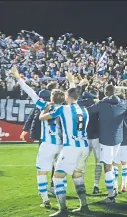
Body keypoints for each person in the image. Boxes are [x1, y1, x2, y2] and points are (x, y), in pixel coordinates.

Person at [10, 68, 66, 209]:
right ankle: (61, 201)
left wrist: (18, 77)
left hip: (47, 144)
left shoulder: (44, 105)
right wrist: (72, 83)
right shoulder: (66, 109)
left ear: (52, 98)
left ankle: (46, 200)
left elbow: (30, 92)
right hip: (62, 146)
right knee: (60, 174)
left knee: (42, 172)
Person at [37, 85, 90, 216]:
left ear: (67, 97)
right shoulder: (84, 110)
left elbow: (42, 118)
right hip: (84, 146)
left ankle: (63, 209)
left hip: (71, 147)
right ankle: (84, 205)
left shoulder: (62, 108)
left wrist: (46, 108)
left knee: (57, 177)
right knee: (78, 177)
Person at [85, 84, 127, 203]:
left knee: (107, 165)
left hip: (106, 140)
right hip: (118, 140)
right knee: (113, 163)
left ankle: (111, 196)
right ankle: (115, 187)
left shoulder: (102, 104)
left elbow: (88, 110)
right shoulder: (122, 104)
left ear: (105, 92)